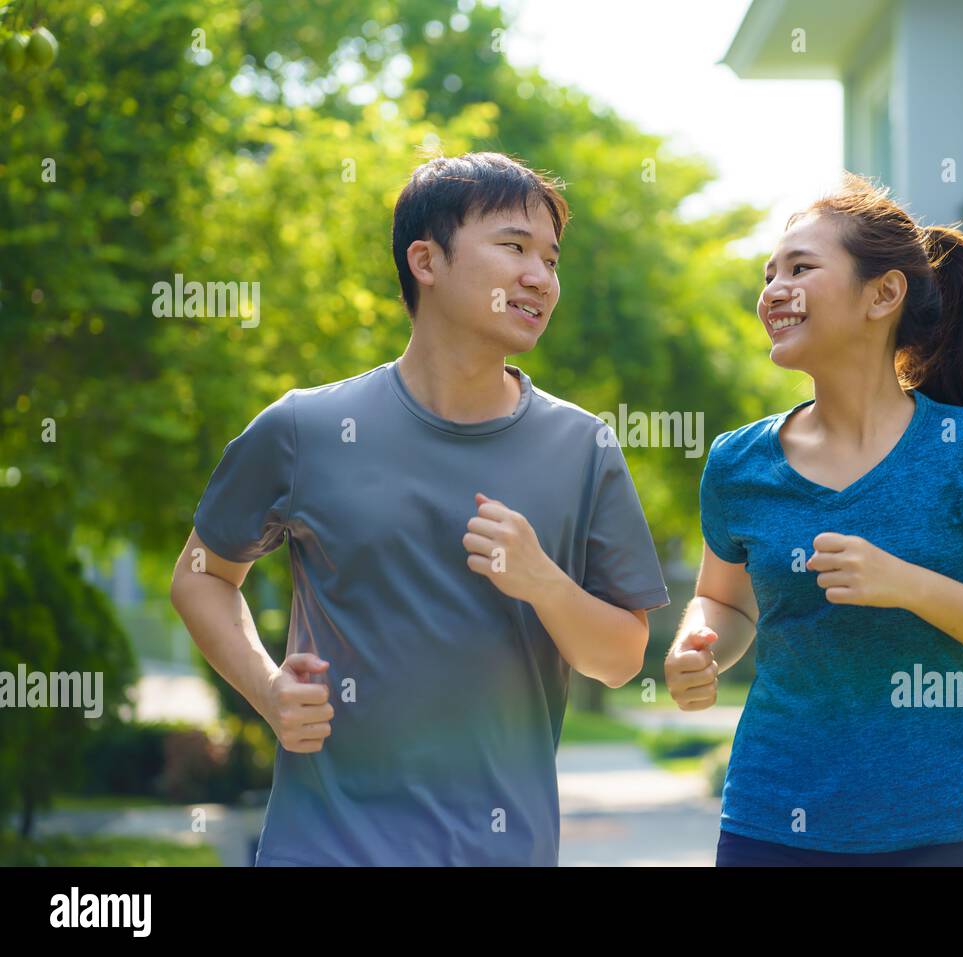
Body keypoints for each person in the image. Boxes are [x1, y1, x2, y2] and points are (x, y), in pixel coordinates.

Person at [169, 151, 669, 866]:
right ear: (426, 261)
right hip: (324, 848)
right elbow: (200, 573)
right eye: (514, 247)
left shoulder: (581, 445)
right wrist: (268, 685)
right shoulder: (304, 429)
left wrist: (542, 581)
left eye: (552, 260)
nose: (541, 278)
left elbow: (621, 658)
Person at [664, 173, 963, 867]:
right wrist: (695, 643)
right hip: (773, 818)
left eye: (800, 267)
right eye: (769, 274)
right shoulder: (739, 461)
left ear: (883, 294)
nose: (772, 290)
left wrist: (908, 584)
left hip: (939, 823)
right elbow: (723, 600)